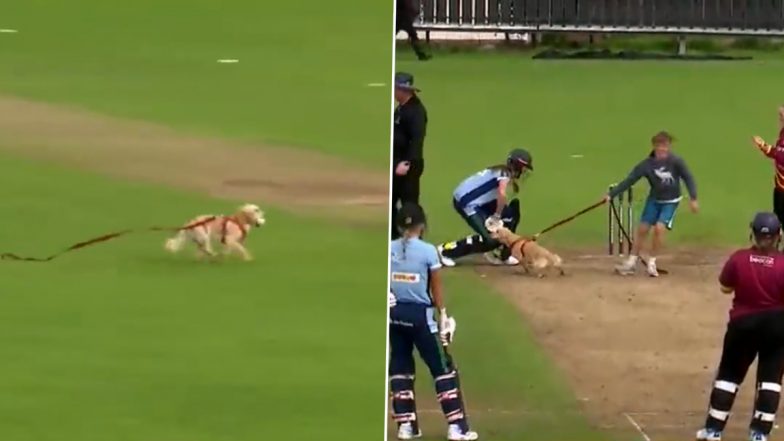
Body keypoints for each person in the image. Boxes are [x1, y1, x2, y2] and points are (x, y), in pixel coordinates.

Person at [389, 203, 478, 441]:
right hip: (421, 318)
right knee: (443, 369)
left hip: (394, 315)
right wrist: (444, 315)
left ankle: (406, 427)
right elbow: (436, 285)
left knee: (400, 369)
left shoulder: (388, 249)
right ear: (422, 225)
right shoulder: (428, 251)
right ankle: (457, 427)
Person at [695, 212, 784, 441]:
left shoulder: (739, 258)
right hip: (777, 326)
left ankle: (714, 430)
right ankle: (759, 434)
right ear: (778, 236)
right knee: (771, 379)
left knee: (729, 375)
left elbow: (725, 287)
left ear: (752, 233)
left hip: (743, 325)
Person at [606, 131, 698, 277]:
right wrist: (611, 195)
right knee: (642, 229)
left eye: (666, 146)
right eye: (660, 146)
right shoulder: (646, 165)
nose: (663, 149)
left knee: (659, 229)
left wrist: (693, 198)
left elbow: (688, 178)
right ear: (654, 146)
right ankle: (631, 261)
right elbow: (630, 180)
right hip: (654, 200)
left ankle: (652, 262)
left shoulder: (676, 161)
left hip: (671, 202)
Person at [436, 149, 533, 267]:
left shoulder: (500, 170)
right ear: (517, 166)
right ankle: (445, 251)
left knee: (510, 215)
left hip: (480, 201)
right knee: (490, 239)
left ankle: (501, 253)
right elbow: (502, 195)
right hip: (467, 203)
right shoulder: (504, 173)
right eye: (523, 168)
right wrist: (496, 216)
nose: (524, 171)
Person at [391, 72, 428, 239]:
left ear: (403, 90)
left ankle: (416, 238)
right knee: (391, 200)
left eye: (395, 88)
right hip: (397, 161)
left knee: (410, 204)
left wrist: (406, 163)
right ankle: (394, 236)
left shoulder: (416, 112)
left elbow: (417, 140)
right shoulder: (402, 107)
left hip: (409, 165)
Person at [751, 105, 784, 228]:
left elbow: (781, 155)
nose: (780, 119)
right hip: (780, 187)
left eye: (782, 116)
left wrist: (764, 146)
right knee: (778, 219)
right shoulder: (783, 133)